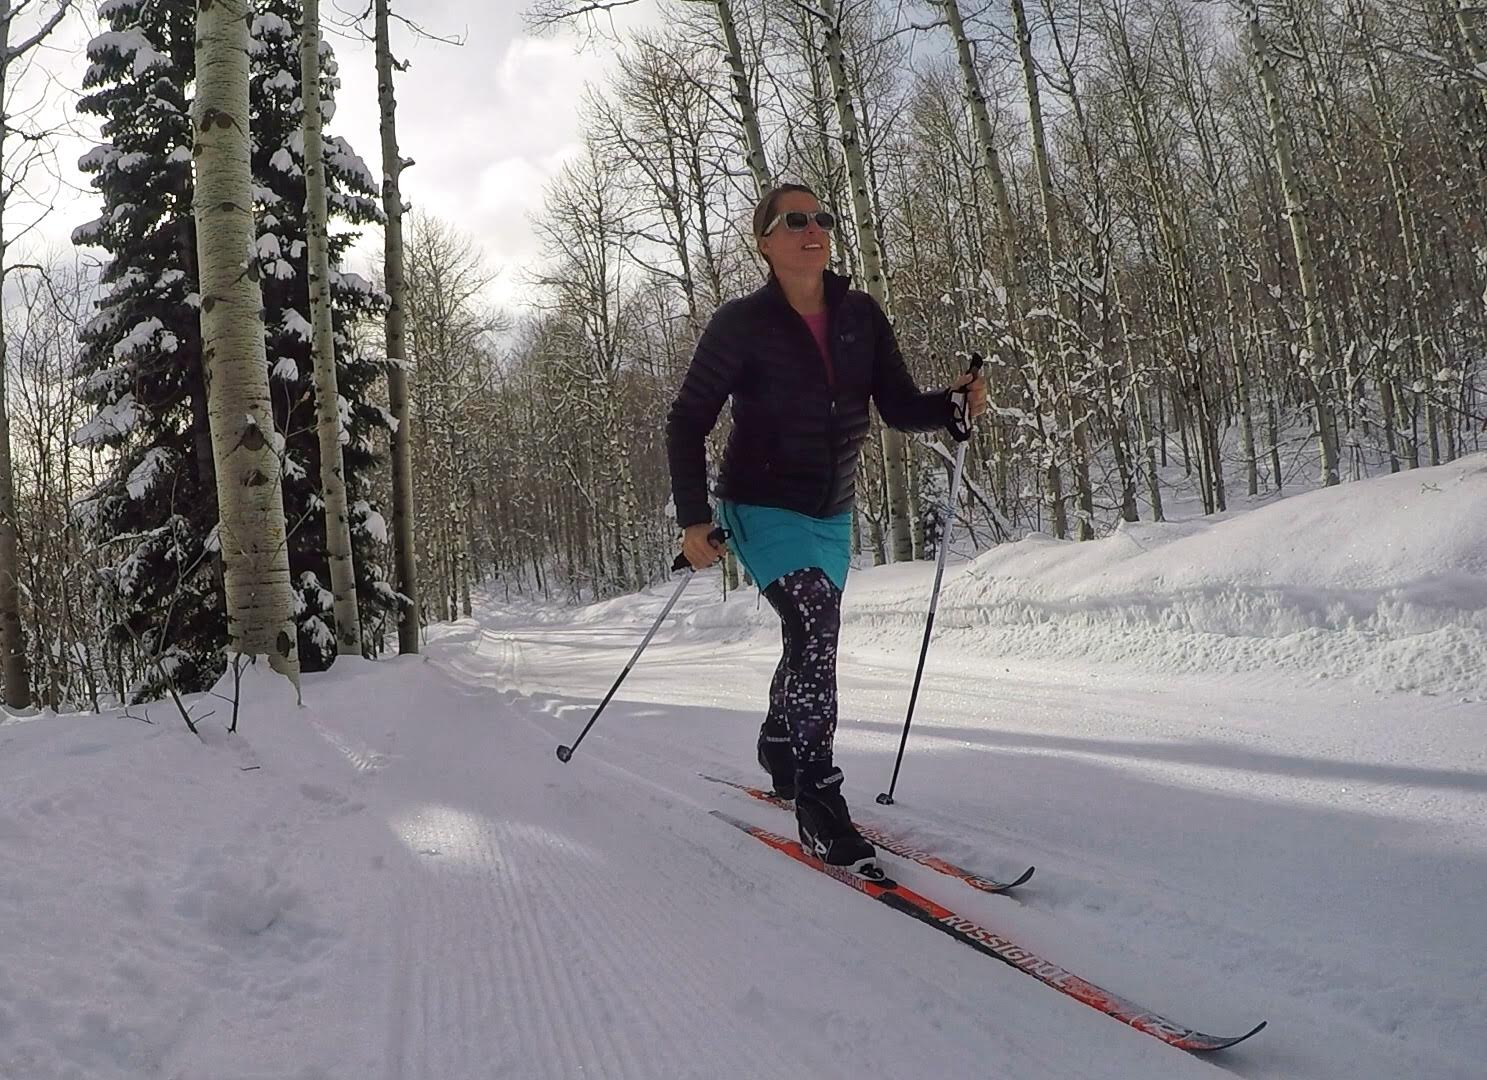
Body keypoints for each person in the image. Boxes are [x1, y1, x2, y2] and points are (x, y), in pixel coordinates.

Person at [665, 183, 987, 872]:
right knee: (814, 623)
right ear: (764, 242)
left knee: (807, 633)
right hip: (759, 504)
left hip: (829, 511)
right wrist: (695, 519)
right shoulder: (740, 324)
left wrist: (951, 407)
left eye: (822, 218)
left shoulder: (859, 316)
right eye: (794, 221)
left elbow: (898, 406)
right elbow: (686, 420)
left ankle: (781, 741)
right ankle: (817, 794)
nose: (813, 230)